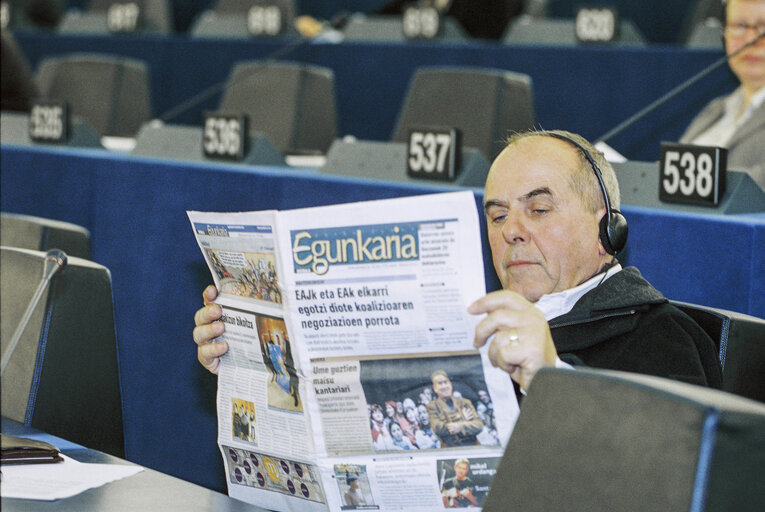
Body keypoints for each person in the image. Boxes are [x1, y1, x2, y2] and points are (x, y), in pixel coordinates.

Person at [194, 129, 721, 399]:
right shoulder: (455, 318)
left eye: (538, 209)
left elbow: (666, 474)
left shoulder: (659, 335)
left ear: (608, 230)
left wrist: (553, 376)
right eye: (496, 216)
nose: (512, 229)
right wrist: (249, 358)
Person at [679, 0, 765, 190]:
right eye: (740, 26)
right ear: (724, 34)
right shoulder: (716, 108)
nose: (751, 39)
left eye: (763, 27)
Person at [425, 370, 484, 447]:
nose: (444, 386)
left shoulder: (465, 402)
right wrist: (461, 417)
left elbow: (479, 425)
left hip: (473, 446)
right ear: (435, 388)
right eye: (440, 384)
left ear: (450, 384)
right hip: (450, 450)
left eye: (446, 382)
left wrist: (460, 427)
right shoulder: (432, 406)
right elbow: (438, 428)